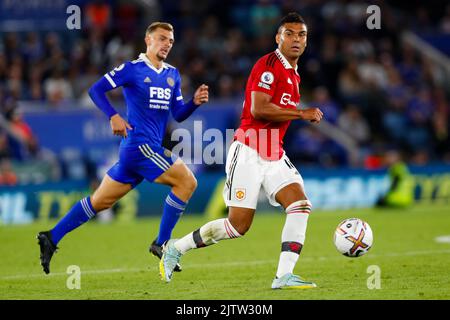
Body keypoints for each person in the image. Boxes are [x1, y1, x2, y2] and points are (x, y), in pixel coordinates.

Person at [160, 12, 323, 289]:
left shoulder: (293, 74)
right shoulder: (269, 65)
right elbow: (259, 108)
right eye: (290, 34)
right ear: (278, 38)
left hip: (274, 152)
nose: (296, 39)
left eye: (301, 35)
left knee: (300, 204)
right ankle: (175, 248)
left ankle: (283, 276)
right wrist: (300, 113)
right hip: (248, 149)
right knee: (238, 226)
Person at [37, 22, 209, 274]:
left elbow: (178, 114)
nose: (166, 45)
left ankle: (51, 237)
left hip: (140, 151)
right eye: (161, 39)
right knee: (187, 182)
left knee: (100, 201)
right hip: (141, 146)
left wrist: (193, 102)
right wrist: (113, 116)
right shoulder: (132, 69)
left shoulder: (173, 74)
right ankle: (161, 244)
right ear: (147, 40)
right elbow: (96, 90)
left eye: (170, 41)